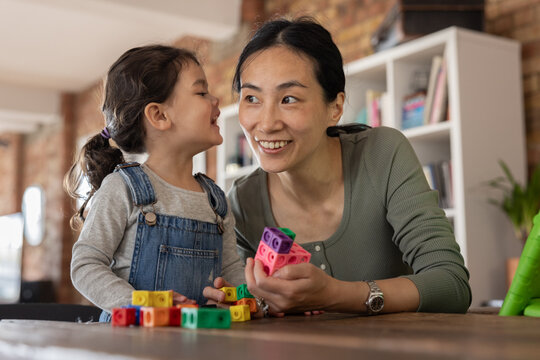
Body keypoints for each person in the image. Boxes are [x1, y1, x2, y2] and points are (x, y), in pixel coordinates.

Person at [225, 17, 471, 315]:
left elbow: (452, 283)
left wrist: (334, 294)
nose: (266, 124)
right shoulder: (242, 202)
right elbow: (252, 303)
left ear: (335, 108)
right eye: (251, 98)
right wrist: (234, 300)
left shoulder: (382, 155)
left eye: (288, 99)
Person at [65, 45, 245, 320]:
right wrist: (138, 303)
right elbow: (85, 266)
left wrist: (249, 299)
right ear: (159, 115)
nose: (215, 100)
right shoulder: (121, 188)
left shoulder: (217, 200)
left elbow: (232, 272)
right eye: (201, 92)